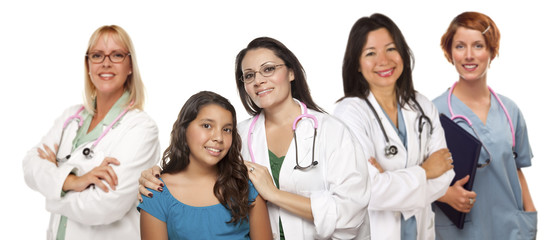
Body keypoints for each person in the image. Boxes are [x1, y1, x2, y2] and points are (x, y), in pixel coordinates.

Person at [139, 37, 371, 239]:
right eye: (249, 75)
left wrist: (274, 194)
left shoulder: (333, 132)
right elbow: (197, 171)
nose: (258, 80)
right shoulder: (234, 136)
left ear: (291, 72)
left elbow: (350, 213)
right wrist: (155, 174)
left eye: (268, 69)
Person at [22, 25, 160, 240]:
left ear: (130, 65)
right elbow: (30, 165)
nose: (106, 63)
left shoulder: (141, 128)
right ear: (88, 64)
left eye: (116, 55)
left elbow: (105, 205)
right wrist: (73, 182)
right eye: (97, 55)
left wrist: (52, 190)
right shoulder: (71, 117)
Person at [333, 13, 454, 240]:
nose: (384, 60)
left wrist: (389, 181)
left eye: (390, 48)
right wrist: (426, 171)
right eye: (370, 53)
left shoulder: (422, 106)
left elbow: (445, 174)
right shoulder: (349, 113)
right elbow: (367, 191)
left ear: (403, 53)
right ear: (357, 64)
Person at [432, 11, 537, 239]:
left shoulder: (510, 111)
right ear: (450, 52)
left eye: (478, 46)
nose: (469, 55)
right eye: (460, 46)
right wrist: (445, 194)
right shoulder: (432, 113)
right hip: (459, 232)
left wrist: (530, 216)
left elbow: (516, 169)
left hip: (510, 228)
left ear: (492, 51)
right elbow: (415, 178)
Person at [138, 91, 272, 239]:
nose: (218, 137)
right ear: (184, 129)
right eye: (207, 125)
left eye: (227, 129)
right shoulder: (156, 191)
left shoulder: (246, 186)